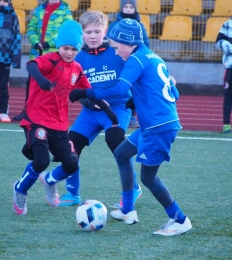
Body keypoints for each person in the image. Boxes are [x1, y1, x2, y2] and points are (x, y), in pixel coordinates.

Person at [69, 18, 192, 236]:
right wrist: (140, 99)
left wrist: (84, 93)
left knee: (148, 178)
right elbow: (175, 93)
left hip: (158, 126)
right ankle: (127, 209)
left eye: (116, 47)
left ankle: (179, 219)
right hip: (154, 124)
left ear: (128, 42)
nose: (115, 52)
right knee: (122, 153)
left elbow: (118, 89)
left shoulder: (136, 59)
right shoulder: (152, 56)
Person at [12, 20, 118, 215]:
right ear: (59, 46)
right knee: (42, 160)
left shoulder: (77, 68)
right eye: (65, 48)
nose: (69, 52)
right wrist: (42, 80)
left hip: (59, 125)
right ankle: (20, 189)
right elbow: (31, 66)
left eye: (73, 49)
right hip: (37, 119)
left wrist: (108, 112)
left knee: (71, 163)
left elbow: (89, 92)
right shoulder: (50, 59)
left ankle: (50, 182)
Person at [57, 11, 142, 207]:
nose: (93, 36)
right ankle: (72, 193)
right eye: (88, 32)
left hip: (117, 108)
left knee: (116, 143)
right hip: (90, 112)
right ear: (82, 34)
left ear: (105, 32)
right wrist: (88, 102)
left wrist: (137, 101)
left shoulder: (117, 51)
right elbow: (75, 88)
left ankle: (134, 188)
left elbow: (135, 76)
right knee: (70, 147)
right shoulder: (78, 58)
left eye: (97, 31)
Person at [13, 0, 73, 121]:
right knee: (31, 85)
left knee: (53, 87)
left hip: (53, 55)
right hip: (37, 54)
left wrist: (48, 43)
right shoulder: (39, 9)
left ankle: (52, 114)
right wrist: (35, 42)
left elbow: (65, 31)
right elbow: (31, 27)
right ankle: (27, 112)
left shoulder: (65, 11)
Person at [107, 0, 150, 128]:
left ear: (135, 9)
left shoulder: (140, 26)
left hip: (134, 62)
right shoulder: (115, 25)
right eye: (126, 6)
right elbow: (110, 42)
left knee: (134, 87)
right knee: (120, 85)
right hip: (118, 61)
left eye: (131, 7)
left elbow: (145, 43)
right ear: (122, 9)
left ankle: (132, 116)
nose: (128, 9)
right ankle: (114, 110)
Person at [216, 18, 232, 134]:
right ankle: (226, 124)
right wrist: (229, 47)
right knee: (228, 95)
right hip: (230, 66)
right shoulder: (227, 25)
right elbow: (219, 41)